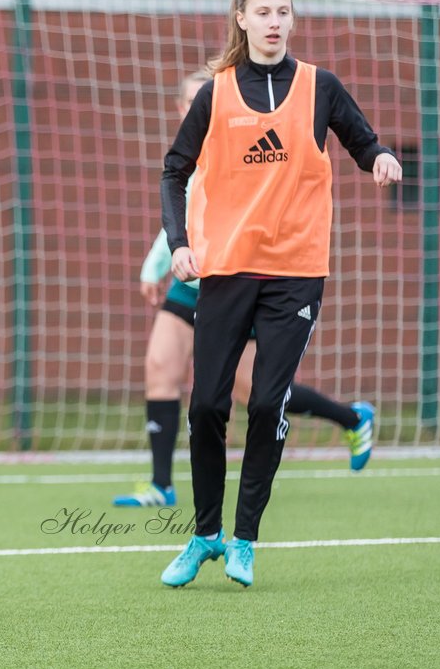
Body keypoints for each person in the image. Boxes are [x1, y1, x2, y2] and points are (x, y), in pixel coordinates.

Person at [158, 0, 401, 588]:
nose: (273, 21)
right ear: (240, 18)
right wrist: (180, 244)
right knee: (209, 402)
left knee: (268, 401)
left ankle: (244, 539)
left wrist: (379, 158)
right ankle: (205, 533)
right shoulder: (214, 96)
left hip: (296, 270)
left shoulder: (321, 86)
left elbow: (361, 140)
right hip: (225, 267)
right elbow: (174, 171)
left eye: (283, 12)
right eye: (262, 11)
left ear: (293, 21)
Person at [114, 71, 376, 509]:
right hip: (190, 282)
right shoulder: (189, 156)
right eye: (190, 102)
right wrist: (155, 267)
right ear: (184, 110)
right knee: (160, 364)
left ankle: (351, 418)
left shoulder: (239, 149)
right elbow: (178, 216)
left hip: (236, 281)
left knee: (254, 392)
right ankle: (161, 484)